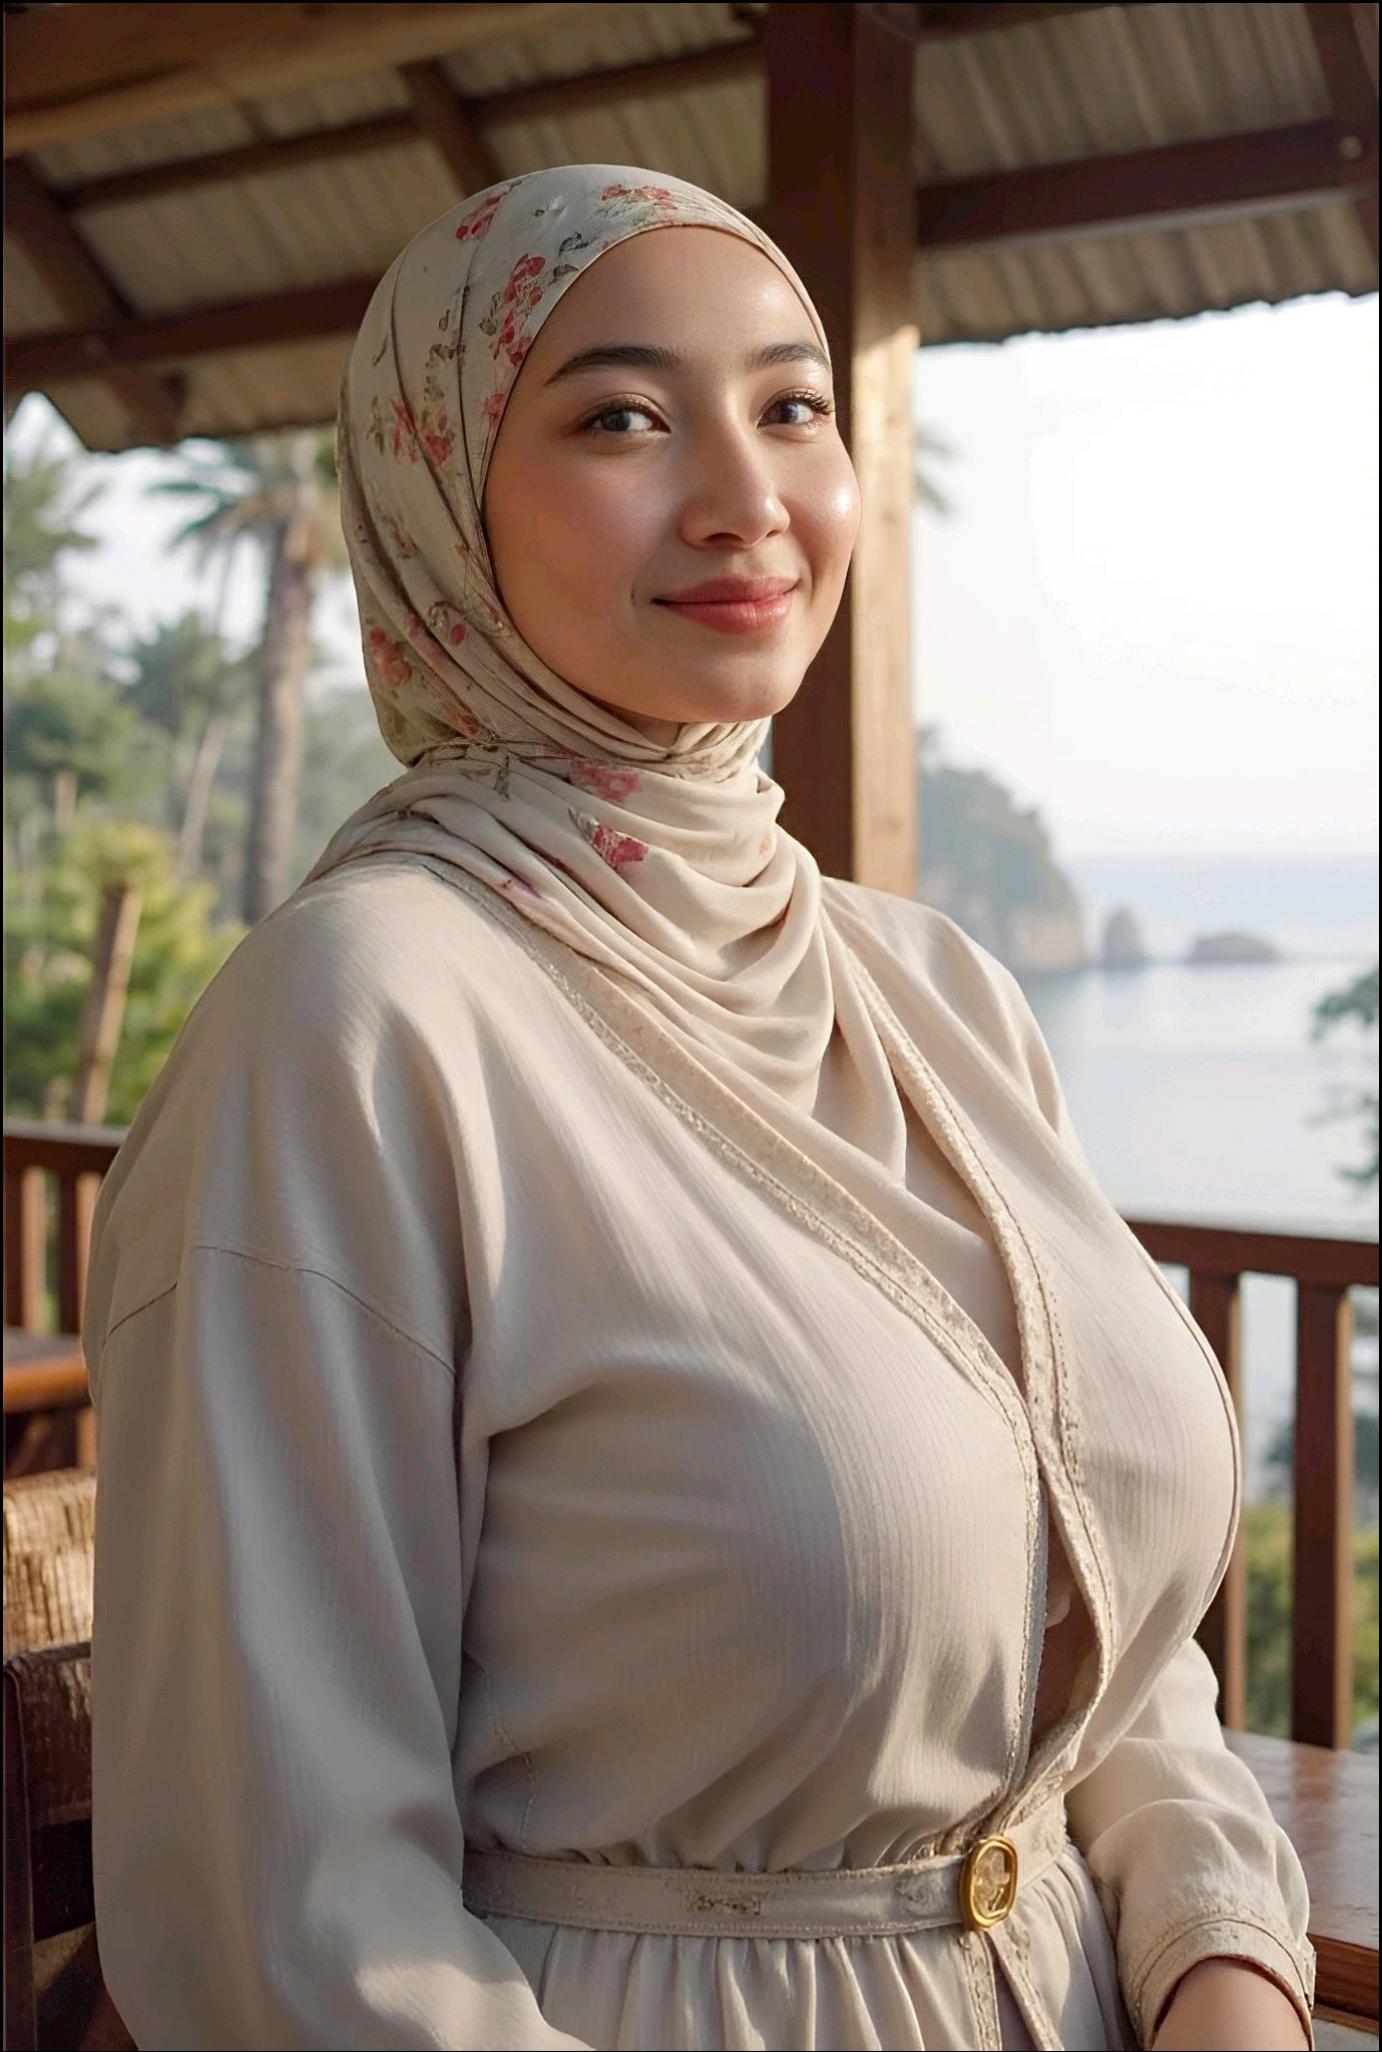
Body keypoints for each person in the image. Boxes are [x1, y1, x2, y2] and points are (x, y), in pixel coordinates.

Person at [83, 164, 1317, 2052]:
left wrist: (1222, 1970)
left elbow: (1107, 1653)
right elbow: (290, 1912)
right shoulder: (358, 1025)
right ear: (439, 494)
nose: (748, 499)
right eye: (619, 417)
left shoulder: (937, 995)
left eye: (793, 405)